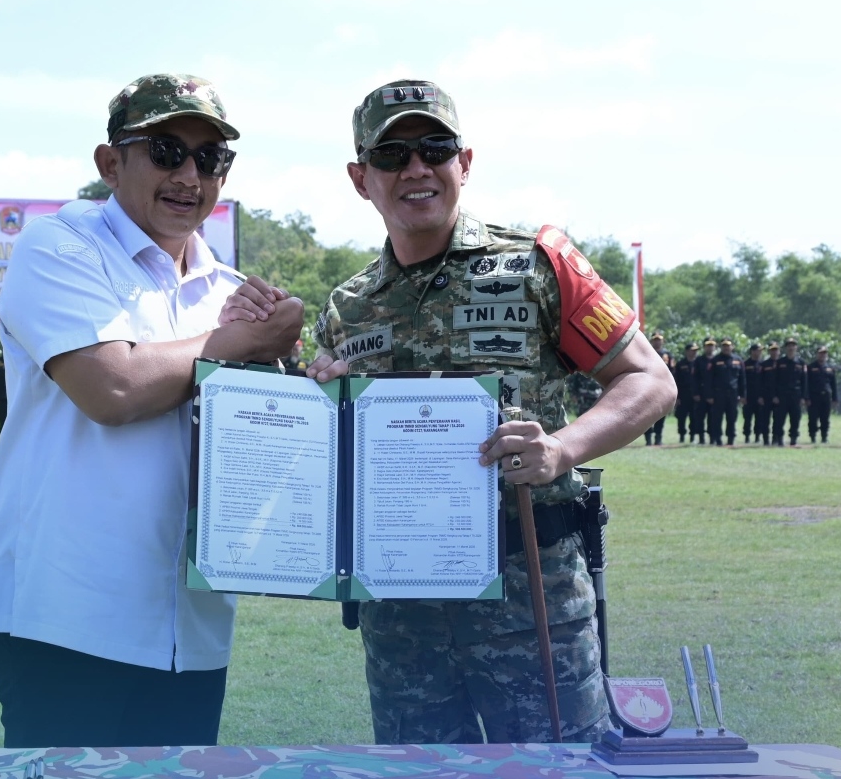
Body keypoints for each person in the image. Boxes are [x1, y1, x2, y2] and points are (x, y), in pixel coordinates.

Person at [226, 79, 676, 744]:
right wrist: (317, 399)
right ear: (361, 177)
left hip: (531, 598)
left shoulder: (539, 265)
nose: (416, 168)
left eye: (434, 147)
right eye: (392, 154)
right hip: (401, 618)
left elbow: (651, 381)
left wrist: (561, 449)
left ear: (464, 162)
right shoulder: (347, 307)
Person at [0, 72, 305, 749]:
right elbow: (112, 389)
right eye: (166, 151)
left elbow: (267, 447)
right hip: (67, 614)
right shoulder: (60, 248)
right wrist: (238, 341)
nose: (190, 175)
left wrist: (297, 377)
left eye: (210, 159)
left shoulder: (231, 291)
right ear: (109, 162)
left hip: (194, 623)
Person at [703, 337, 745, 447]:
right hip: (718, 394)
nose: (726, 348)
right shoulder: (715, 360)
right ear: (721, 347)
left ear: (732, 347)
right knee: (717, 418)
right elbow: (709, 379)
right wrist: (709, 395)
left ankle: (731, 438)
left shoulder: (738, 360)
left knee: (732, 417)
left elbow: (742, 380)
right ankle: (717, 439)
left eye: (728, 346)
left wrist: (743, 395)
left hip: (733, 394)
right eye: (724, 346)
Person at [771, 337, 807, 446]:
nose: (791, 348)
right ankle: (779, 438)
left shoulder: (801, 363)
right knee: (779, 418)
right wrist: (774, 395)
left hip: (796, 394)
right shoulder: (779, 362)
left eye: (793, 345)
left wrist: (803, 397)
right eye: (789, 345)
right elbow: (774, 380)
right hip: (782, 395)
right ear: (786, 348)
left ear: (796, 347)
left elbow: (804, 381)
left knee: (795, 418)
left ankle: (793, 438)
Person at [643, 332, 673, 445]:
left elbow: (672, 371)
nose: (657, 341)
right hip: (648, 388)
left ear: (662, 341)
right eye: (655, 339)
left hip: (662, 388)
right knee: (647, 414)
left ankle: (658, 438)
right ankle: (648, 439)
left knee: (661, 414)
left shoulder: (667, 355)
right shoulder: (646, 352)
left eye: (659, 339)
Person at [805, 346, 837, 444]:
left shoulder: (830, 368)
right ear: (817, 354)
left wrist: (835, 398)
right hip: (814, 396)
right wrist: (807, 397)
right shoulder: (810, 367)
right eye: (821, 353)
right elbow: (807, 384)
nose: (823, 355)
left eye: (824, 353)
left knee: (825, 418)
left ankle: (824, 436)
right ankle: (813, 436)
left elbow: (833, 384)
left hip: (826, 396)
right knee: (813, 418)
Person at [692, 338, 717, 444]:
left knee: (713, 417)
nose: (710, 347)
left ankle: (713, 438)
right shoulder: (699, 360)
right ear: (704, 347)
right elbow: (694, 378)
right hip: (701, 393)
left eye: (712, 345)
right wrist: (695, 393)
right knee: (700, 417)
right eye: (708, 345)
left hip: (714, 393)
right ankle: (701, 438)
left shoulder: (717, 360)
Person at [673, 342, 698, 443]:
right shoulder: (680, 364)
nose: (694, 352)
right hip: (683, 395)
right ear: (687, 351)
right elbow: (676, 381)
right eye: (692, 350)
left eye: (696, 351)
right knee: (681, 417)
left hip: (695, 395)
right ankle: (682, 436)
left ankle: (692, 436)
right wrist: (677, 397)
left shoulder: (698, 363)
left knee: (694, 417)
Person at [757, 342, 780, 446]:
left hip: (779, 397)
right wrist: (760, 396)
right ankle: (766, 439)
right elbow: (760, 381)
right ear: (769, 351)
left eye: (776, 350)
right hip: (766, 396)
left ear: (779, 351)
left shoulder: (782, 363)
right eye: (772, 350)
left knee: (778, 419)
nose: (774, 352)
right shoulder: (764, 364)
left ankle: (776, 439)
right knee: (765, 419)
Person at [742, 343, 764, 444]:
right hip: (748, 396)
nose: (759, 353)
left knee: (759, 418)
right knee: (747, 418)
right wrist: (743, 395)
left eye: (760, 350)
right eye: (757, 350)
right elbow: (742, 381)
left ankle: (757, 437)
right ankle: (747, 436)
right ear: (752, 351)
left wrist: (762, 396)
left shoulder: (763, 364)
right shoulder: (745, 364)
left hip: (759, 396)